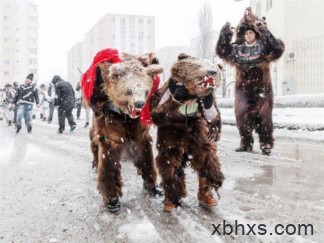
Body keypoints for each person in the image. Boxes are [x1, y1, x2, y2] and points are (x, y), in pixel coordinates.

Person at [216, 12, 284, 155]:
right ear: (243, 35)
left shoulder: (264, 46)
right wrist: (225, 34)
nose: (248, 35)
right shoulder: (238, 49)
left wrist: (265, 30)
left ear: (255, 34)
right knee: (241, 114)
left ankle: (266, 144)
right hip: (243, 88)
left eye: (251, 32)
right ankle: (246, 143)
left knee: (264, 115)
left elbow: (277, 49)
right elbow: (222, 52)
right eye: (246, 33)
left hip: (262, 85)